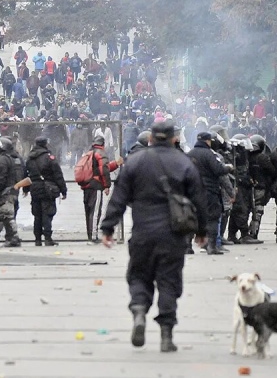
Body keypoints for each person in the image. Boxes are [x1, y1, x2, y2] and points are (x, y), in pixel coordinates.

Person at [99, 121, 208, 351]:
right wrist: (202, 231)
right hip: (173, 236)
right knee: (169, 282)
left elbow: (118, 197)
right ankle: (166, 335)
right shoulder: (184, 163)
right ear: (173, 139)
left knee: (139, 276)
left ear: (150, 139)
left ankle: (139, 309)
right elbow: (199, 200)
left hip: (142, 234)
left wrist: (108, 228)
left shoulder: (135, 162)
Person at [187, 132, 232, 255]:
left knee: (192, 217)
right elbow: (218, 169)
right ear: (208, 141)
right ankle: (211, 246)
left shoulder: (189, 154)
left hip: (192, 191)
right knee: (212, 217)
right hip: (209, 190)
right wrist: (228, 168)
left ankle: (187, 247)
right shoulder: (210, 154)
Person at [23, 136, 67, 246]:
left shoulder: (30, 158)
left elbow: (25, 175)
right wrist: (63, 190)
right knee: (47, 214)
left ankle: (37, 239)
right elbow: (58, 175)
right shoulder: (49, 157)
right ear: (45, 144)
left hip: (35, 188)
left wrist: (26, 189)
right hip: (48, 188)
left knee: (37, 214)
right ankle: (48, 238)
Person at [80, 135, 120, 242]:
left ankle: (90, 235)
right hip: (96, 185)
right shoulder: (100, 153)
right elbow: (104, 170)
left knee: (88, 211)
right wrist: (107, 185)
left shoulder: (88, 152)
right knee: (95, 211)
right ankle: (93, 236)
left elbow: (102, 168)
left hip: (86, 185)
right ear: (103, 143)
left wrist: (115, 164)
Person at [0, 137, 23, 247]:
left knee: (7, 215)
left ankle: (14, 238)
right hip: (12, 191)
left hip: (5, 192)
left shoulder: (3, 160)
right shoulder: (16, 158)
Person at [247, 134, 275, 242]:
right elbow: (272, 171)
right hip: (260, 188)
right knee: (257, 211)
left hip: (247, 188)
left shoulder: (246, 157)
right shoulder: (263, 158)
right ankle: (253, 233)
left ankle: (242, 233)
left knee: (244, 211)